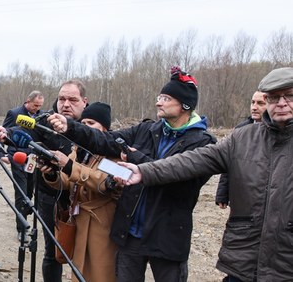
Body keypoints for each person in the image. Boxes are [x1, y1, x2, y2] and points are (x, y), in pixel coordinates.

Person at [115, 67, 293, 282]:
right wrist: (144, 170)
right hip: (244, 263)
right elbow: (194, 160)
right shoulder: (243, 138)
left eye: (289, 96)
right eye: (274, 97)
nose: (281, 102)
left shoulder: (200, 135)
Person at [48, 67, 216, 282]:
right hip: (131, 234)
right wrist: (70, 127)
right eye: (159, 97)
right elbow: (105, 140)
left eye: (165, 98)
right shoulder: (148, 130)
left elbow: (183, 183)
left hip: (167, 237)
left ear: (185, 105)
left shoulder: (203, 142)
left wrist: (139, 162)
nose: (158, 102)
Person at [39, 102, 119, 282]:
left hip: (101, 224)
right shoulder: (80, 150)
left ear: (104, 128)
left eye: (91, 124)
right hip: (79, 221)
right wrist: (52, 173)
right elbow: (69, 181)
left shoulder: (113, 152)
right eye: (83, 123)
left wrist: (68, 165)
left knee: (100, 273)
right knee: (78, 271)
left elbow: (104, 182)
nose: (85, 128)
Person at [30, 79, 88, 282]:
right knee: (52, 251)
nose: (66, 104)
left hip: (84, 199)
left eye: (72, 99)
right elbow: (23, 137)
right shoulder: (45, 122)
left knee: (84, 253)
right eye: (62, 99)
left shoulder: (91, 126)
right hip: (49, 196)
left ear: (84, 102)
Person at [2, 90, 45, 240]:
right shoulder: (14, 114)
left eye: (39, 106)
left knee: (29, 192)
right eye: (35, 105)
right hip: (17, 157)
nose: (37, 108)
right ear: (28, 101)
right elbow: (4, 134)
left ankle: (26, 215)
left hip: (33, 158)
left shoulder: (42, 115)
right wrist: (5, 154)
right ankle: (21, 228)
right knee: (20, 192)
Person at [215, 90, 267, 208]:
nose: (254, 107)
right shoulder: (241, 130)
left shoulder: (280, 131)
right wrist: (223, 193)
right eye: (252, 102)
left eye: (260, 103)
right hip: (242, 194)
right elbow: (230, 161)